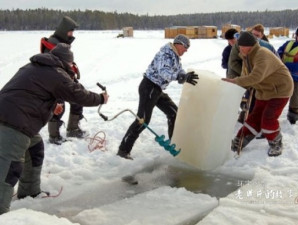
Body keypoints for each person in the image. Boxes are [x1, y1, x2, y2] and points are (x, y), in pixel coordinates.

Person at [0, 43, 109, 215]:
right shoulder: (56, 73)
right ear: (67, 63)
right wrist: (101, 99)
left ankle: (29, 191)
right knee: (8, 172)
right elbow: (78, 94)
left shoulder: (33, 67)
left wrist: (51, 109)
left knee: (35, 148)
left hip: (11, 116)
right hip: (13, 124)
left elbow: (30, 96)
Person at [117, 34, 199, 160]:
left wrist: (184, 75)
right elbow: (164, 72)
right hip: (149, 87)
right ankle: (123, 150)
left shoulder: (175, 56)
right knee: (142, 120)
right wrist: (179, 77)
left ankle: (174, 142)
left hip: (157, 89)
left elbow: (179, 70)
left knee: (174, 113)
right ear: (179, 44)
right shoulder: (165, 54)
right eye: (186, 47)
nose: (186, 50)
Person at [222, 31, 293, 157]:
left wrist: (235, 81)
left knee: (268, 118)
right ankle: (240, 140)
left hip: (280, 89)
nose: (239, 48)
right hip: (263, 90)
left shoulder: (262, 54)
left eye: (241, 46)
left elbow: (255, 77)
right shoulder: (247, 56)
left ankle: (276, 142)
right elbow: (246, 76)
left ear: (248, 46)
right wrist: (234, 88)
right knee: (254, 117)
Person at [40, 16, 85, 144]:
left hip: (65, 77)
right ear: (64, 31)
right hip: (54, 81)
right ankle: (54, 136)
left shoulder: (60, 41)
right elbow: (51, 66)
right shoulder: (53, 43)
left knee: (78, 98)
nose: (72, 34)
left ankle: (73, 129)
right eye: (70, 32)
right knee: (59, 106)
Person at [228, 31, 279, 124]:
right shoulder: (240, 45)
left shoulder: (266, 46)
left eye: (257, 35)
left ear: (262, 35)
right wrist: (247, 77)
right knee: (247, 97)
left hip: (262, 78)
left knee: (260, 98)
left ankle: (257, 120)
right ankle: (245, 116)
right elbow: (233, 62)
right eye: (253, 35)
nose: (255, 37)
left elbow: (277, 60)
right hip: (242, 75)